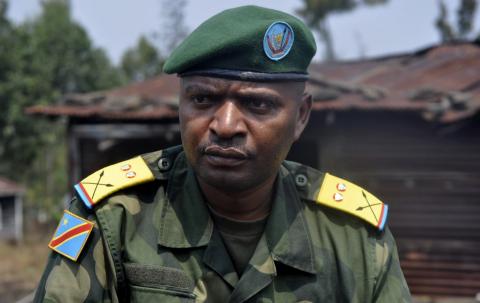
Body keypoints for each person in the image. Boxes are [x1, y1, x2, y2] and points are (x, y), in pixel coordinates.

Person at [34, 5, 411, 303]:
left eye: (258, 105)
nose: (225, 124)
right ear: (179, 106)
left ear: (300, 117)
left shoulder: (353, 235)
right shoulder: (111, 216)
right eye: (203, 99)